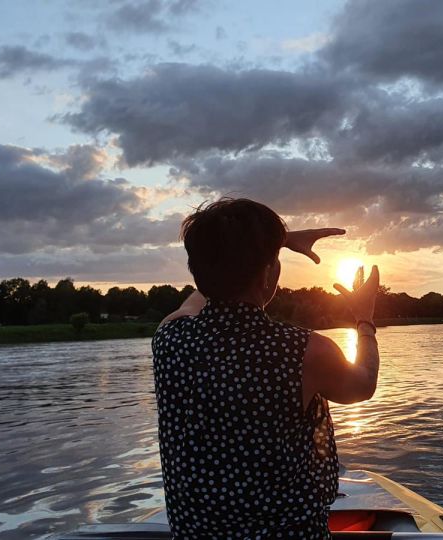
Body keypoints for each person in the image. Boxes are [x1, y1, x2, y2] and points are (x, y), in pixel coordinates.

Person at [151, 198, 381, 539]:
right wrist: (364, 320)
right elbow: (363, 384)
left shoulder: (168, 339)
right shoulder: (305, 350)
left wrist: (269, 245)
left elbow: (199, 297)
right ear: (268, 273)